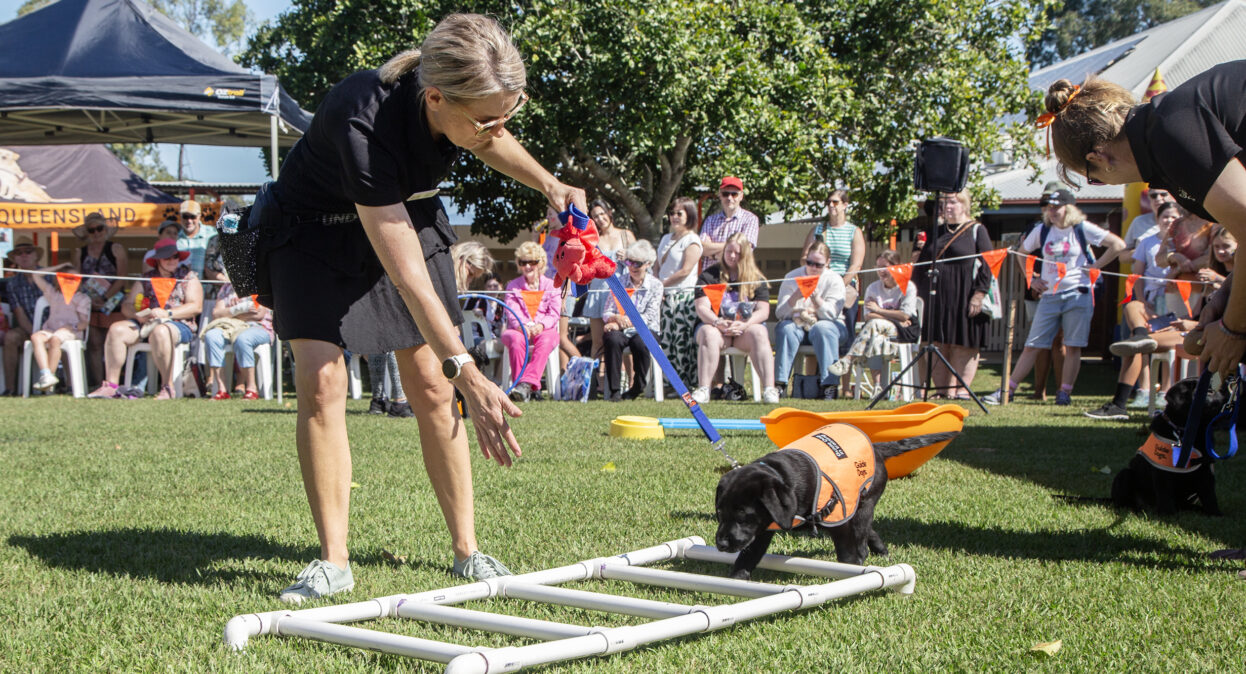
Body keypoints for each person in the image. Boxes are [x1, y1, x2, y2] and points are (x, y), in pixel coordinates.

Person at [261, 14, 585, 601]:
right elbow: (408, 276)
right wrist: (468, 371)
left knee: (433, 388)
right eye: (486, 119)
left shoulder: (466, 113)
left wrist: (550, 185)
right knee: (323, 381)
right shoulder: (362, 117)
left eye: (506, 116)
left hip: (408, 214)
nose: (497, 129)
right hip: (314, 235)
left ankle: (468, 551)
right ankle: (333, 562)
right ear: (435, 98)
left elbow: (492, 138)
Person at [1040, 62, 1246, 378]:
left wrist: (1232, 329)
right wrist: (1224, 299)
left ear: (1099, 158)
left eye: (1093, 179)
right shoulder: (1164, 132)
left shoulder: (1169, 132)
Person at [985, 191, 1124, 405]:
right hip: (1049, 295)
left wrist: (1096, 266)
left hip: (1078, 293)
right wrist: (1032, 279)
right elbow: (1022, 253)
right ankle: (1007, 390)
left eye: (1056, 207)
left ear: (1069, 209)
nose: (1052, 212)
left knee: (1073, 345)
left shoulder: (1082, 228)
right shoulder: (1042, 230)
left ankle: (1064, 393)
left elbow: (1117, 245)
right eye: (1049, 207)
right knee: (1033, 344)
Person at [87, 239, 204, 401]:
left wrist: (167, 314)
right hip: (148, 323)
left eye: (175, 257)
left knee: (161, 331)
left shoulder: (189, 277)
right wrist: (137, 314)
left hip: (180, 325)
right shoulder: (147, 278)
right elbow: (127, 305)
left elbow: (196, 307)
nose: (172, 261)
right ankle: (111, 386)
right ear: (157, 260)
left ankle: (167, 387)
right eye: (167, 258)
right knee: (116, 329)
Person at [913, 190, 993, 400]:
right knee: (937, 343)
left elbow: (989, 264)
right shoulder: (936, 231)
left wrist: (979, 293)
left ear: (964, 204)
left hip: (965, 295)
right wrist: (914, 293)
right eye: (944, 204)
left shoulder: (977, 230)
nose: (947, 207)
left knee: (962, 344)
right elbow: (921, 264)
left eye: (952, 203)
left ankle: (962, 390)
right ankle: (942, 391)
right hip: (936, 296)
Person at [691, 232, 778, 404]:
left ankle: (769, 389)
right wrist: (718, 322)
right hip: (716, 329)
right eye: (728, 251)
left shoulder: (756, 278)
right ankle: (704, 389)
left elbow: (763, 311)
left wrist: (745, 324)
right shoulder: (709, 276)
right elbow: (702, 308)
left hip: (743, 331)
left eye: (737, 253)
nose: (732, 256)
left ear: (745, 254)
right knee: (708, 332)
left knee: (760, 331)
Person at [829, 250, 920, 393]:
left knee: (874, 326)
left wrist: (878, 310)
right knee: (875, 338)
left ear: (896, 266)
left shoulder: (908, 287)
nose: (881, 271)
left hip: (905, 331)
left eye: (885, 267)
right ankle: (878, 386)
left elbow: (906, 316)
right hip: (882, 328)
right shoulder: (873, 288)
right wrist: (893, 319)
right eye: (878, 267)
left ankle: (848, 358)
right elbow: (868, 316)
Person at [772, 240, 846, 400]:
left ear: (827, 263)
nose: (813, 267)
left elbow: (831, 315)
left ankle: (829, 385)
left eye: (818, 265)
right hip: (798, 324)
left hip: (830, 327)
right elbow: (780, 313)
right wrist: (794, 297)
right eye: (809, 262)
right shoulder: (792, 277)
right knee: (786, 328)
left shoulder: (834, 280)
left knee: (823, 328)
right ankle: (780, 384)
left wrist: (817, 299)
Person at [71, 212, 130, 388]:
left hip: (114, 303)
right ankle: (98, 384)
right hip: (89, 304)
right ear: (87, 233)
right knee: (94, 345)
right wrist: (91, 300)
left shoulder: (116, 249)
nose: (96, 233)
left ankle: (116, 383)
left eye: (100, 228)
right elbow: (76, 279)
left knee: (114, 342)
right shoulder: (78, 253)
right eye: (92, 230)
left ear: (105, 229)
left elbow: (122, 278)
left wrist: (105, 297)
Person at [601, 240, 663, 401]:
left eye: (638, 263)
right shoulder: (619, 282)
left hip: (646, 328)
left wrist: (625, 320)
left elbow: (649, 316)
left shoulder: (656, 285)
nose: (632, 267)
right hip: (620, 327)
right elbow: (607, 310)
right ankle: (614, 391)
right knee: (612, 339)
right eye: (629, 262)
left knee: (640, 343)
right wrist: (615, 319)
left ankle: (637, 387)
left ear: (648, 264)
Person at [579, 199, 635, 370]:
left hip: (620, 293)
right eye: (595, 216)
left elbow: (641, 261)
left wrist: (628, 255)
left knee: (624, 339)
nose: (600, 218)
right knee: (598, 341)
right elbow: (585, 268)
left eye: (602, 214)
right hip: (598, 292)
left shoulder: (626, 235)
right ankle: (597, 383)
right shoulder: (592, 239)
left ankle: (630, 384)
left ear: (609, 213)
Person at [502, 241, 561, 402]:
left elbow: (554, 313)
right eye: (523, 262)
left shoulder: (552, 285)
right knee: (515, 338)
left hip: (544, 329)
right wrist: (524, 326)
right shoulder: (512, 286)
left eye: (532, 262)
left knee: (548, 337)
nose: (528, 266)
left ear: (540, 263)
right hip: (518, 329)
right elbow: (511, 312)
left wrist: (541, 325)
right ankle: (523, 386)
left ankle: (525, 385)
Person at [201, 275, 274, 400]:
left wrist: (231, 312)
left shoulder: (257, 285)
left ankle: (251, 389)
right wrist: (238, 310)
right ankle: (221, 389)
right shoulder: (227, 288)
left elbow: (258, 314)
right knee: (211, 335)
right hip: (229, 328)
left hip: (258, 327)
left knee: (242, 338)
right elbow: (216, 314)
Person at [655, 197, 702, 387]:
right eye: (672, 213)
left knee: (681, 340)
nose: (674, 217)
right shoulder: (666, 238)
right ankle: (667, 382)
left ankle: (683, 383)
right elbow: (657, 265)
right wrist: (657, 286)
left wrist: (662, 285)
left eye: (679, 213)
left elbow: (685, 270)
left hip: (683, 297)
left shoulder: (692, 240)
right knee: (666, 339)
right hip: (664, 297)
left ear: (689, 215)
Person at [802, 189, 865, 328]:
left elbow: (856, 265)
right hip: (819, 284)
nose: (831, 205)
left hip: (846, 284)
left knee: (846, 329)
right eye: (828, 202)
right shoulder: (817, 230)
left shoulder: (854, 232)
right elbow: (804, 258)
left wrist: (839, 286)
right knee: (817, 326)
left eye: (835, 202)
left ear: (845, 205)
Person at [27, 262, 91, 393]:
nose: (71, 281)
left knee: (56, 339)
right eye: (67, 278)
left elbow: (84, 323)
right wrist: (58, 267)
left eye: (75, 279)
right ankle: (46, 374)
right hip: (51, 329)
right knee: (36, 337)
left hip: (71, 331)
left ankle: (49, 378)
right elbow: (36, 275)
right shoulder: (53, 293)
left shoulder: (82, 298)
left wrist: (71, 326)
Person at [3, 235, 43, 394]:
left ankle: (65, 385)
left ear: (35, 256)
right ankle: (10, 389)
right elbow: (19, 314)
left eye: (28, 251)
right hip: (28, 328)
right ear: (15, 259)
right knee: (10, 337)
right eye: (19, 253)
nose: (24, 255)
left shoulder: (49, 276)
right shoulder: (12, 283)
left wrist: (44, 333)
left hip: (53, 326)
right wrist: (35, 334)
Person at [700, 176, 759, 271]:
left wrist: (713, 255)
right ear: (720, 195)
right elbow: (702, 248)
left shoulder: (750, 219)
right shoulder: (710, 220)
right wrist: (732, 247)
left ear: (741, 196)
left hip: (737, 277)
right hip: (710, 278)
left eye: (734, 194)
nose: (729, 198)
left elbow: (745, 250)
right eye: (725, 194)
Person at [1122, 187, 1175, 256]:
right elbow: (1122, 256)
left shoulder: (1182, 221)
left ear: (1173, 197)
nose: (1158, 199)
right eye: (1153, 196)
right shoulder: (1139, 222)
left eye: (1163, 194)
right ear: (1149, 198)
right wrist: (1145, 251)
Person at [175, 199, 217, 277]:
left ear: (199, 216)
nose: (189, 220)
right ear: (180, 217)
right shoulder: (175, 236)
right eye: (185, 216)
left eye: (192, 216)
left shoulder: (212, 234)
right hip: (180, 287)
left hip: (207, 287)